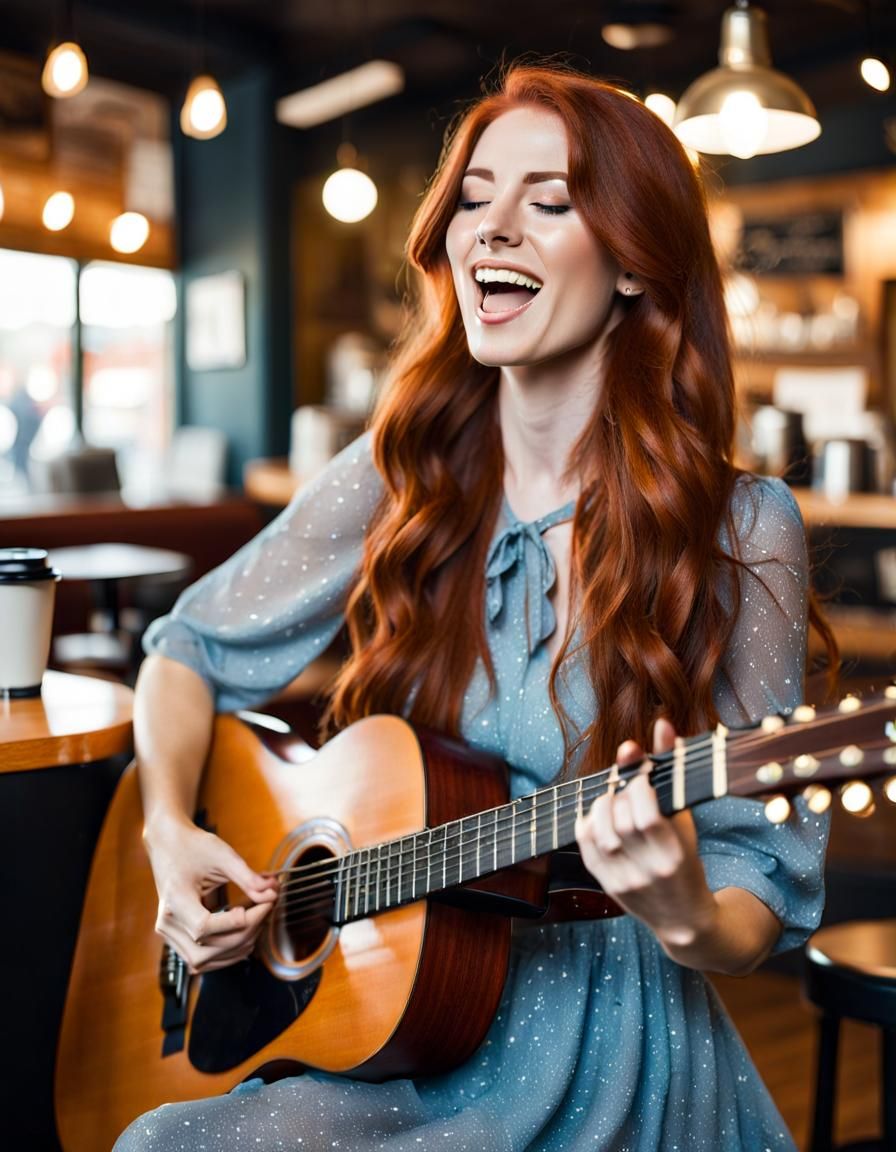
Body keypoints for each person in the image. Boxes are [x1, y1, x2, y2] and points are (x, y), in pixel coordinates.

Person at [115, 63, 836, 1152]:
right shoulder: (402, 470)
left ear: (634, 263)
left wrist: (683, 904)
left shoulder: (740, 525)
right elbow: (186, 650)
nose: (490, 227)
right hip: (393, 1026)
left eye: (548, 203)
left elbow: (753, 894)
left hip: (604, 1055)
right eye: (473, 195)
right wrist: (170, 833)